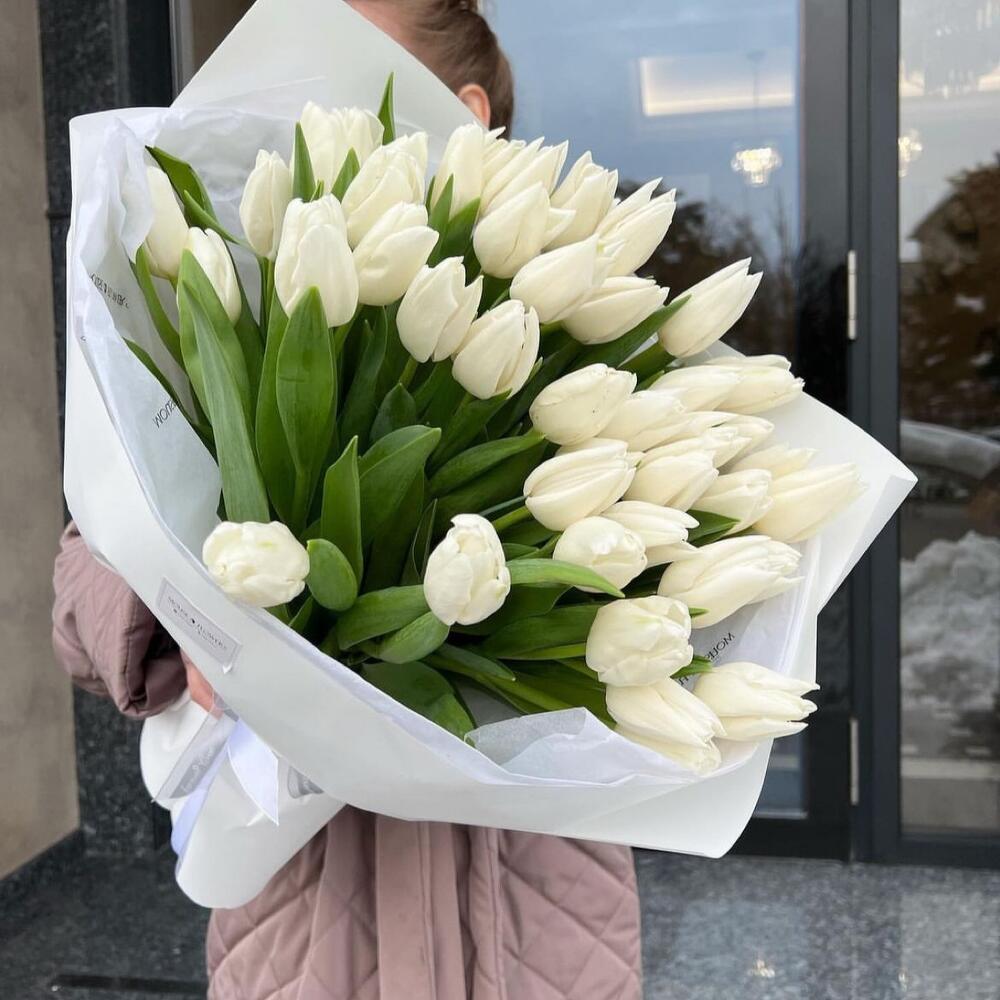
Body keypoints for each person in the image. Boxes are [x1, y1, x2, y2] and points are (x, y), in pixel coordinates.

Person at [52, 1, 643, 997]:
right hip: (308, 912)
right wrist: (185, 619)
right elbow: (80, 588)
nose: (308, 118)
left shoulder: (577, 318)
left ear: (466, 114)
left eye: (348, 80)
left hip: (534, 909)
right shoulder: (240, 304)